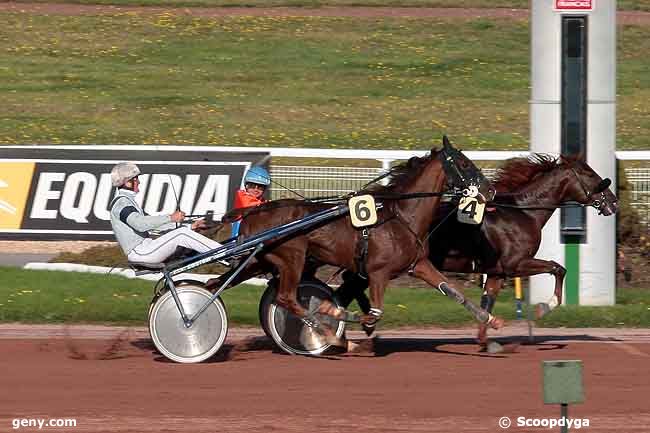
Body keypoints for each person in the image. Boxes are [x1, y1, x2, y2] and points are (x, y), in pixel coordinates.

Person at [109, 162, 222, 265]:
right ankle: (224, 254)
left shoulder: (127, 201)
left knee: (182, 232)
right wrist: (171, 217)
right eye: (136, 178)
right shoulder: (121, 203)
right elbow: (140, 224)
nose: (139, 182)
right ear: (128, 182)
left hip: (145, 249)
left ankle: (222, 254)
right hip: (141, 252)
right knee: (181, 234)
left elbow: (153, 227)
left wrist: (191, 226)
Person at [230, 165, 270, 237]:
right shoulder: (242, 197)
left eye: (260, 186)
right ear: (246, 186)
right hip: (239, 240)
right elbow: (256, 206)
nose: (256, 189)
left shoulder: (262, 201)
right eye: (252, 185)